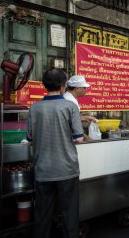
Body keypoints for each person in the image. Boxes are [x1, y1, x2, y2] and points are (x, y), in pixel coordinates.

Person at [26, 69, 84, 238]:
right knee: (69, 215)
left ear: (44, 85)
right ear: (63, 86)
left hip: (43, 170)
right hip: (67, 169)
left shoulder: (34, 108)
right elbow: (79, 138)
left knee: (42, 216)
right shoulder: (70, 106)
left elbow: (30, 139)